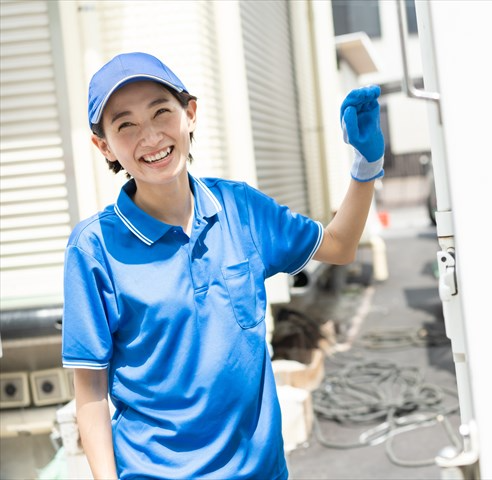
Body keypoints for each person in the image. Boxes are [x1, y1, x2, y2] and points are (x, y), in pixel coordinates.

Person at [61, 52, 385, 479]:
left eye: (162, 112)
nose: (152, 136)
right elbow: (90, 392)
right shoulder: (95, 248)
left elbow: (340, 246)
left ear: (189, 114)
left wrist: (365, 167)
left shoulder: (240, 208)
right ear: (104, 146)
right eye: (126, 126)